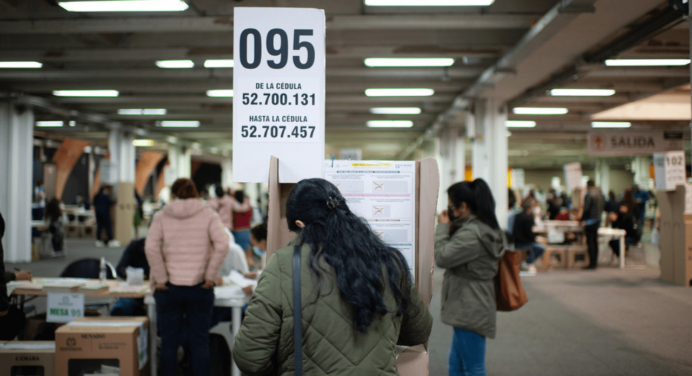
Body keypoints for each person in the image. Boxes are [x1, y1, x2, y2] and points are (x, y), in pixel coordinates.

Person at [233, 178, 432, 375]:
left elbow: (250, 357)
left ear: (300, 224)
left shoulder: (284, 265)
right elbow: (419, 331)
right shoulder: (389, 260)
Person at [145, 178, 229, 376]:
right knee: (200, 343)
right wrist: (210, 275)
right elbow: (223, 244)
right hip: (200, 287)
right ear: (195, 193)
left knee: (168, 344)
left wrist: (161, 278)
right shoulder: (209, 214)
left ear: (173, 195)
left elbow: (150, 248)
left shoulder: (161, 216)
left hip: (168, 289)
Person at [435, 179, 506, 376]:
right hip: (470, 302)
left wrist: (441, 227)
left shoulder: (473, 234)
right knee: (456, 364)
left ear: (463, 207)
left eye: (450, 206)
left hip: (470, 305)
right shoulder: (482, 227)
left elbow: (442, 257)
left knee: (473, 368)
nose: (448, 210)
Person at [111, 237, 150, 316]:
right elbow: (120, 268)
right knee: (122, 307)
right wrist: (132, 274)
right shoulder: (135, 246)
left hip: (156, 288)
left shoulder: (164, 247)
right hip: (134, 288)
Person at [513, 199, 546, 274]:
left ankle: (527, 263)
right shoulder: (528, 218)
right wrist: (536, 238)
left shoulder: (518, 216)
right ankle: (527, 263)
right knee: (541, 247)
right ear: (530, 208)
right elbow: (529, 234)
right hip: (523, 242)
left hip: (517, 240)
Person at [582, 180, 604, 270]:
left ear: (587, 185)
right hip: (597, 220)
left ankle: (591, 263)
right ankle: (594, 262)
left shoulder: (589, 194)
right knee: (595, 242)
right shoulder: (599, 194)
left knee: (590, 242)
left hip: (590, 221)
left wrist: (582, 219)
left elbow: (587, 208)